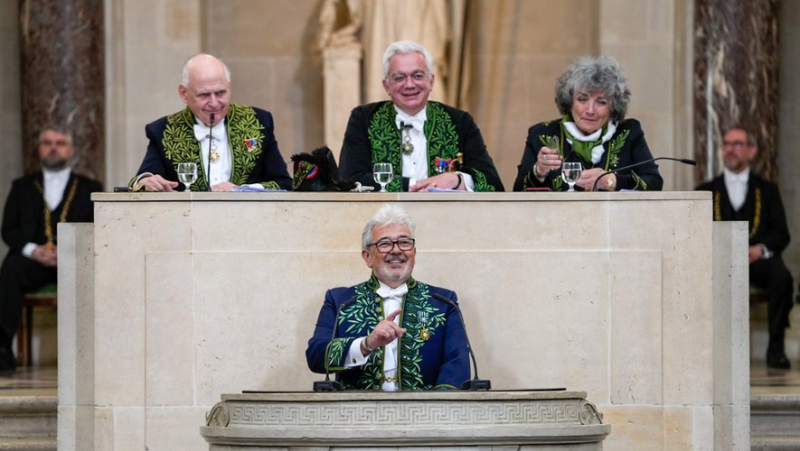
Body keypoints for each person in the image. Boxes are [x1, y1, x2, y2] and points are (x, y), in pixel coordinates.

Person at [306, 204, 470, 390]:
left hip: (423, 414)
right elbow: (316, 356)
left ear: (414, 253)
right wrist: (366, 344)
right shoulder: (340, 301)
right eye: (384, 243)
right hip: (357, 414)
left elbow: (458, 363)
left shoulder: (444, 302)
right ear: (367, 256)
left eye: (405, 242)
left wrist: (435, 411)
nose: (396, 250)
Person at [0, 128, 102, 374]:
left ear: (71, 150)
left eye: (60, 143)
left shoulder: (90, 186)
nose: (53, 147)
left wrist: (67, 251)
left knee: (102, 275)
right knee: (10, 270)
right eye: (47, 143)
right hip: (32, 262)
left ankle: (93, 357)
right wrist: (33, 250)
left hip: (74, 260)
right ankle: (2, 352)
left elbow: (98, 227)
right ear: (39, 149)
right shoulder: (22, 186)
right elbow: (8, 229)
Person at [339, 40, 504, 192]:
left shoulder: (459, 121)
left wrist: (457, 179)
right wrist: (415, 185)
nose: (409, 84)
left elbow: (492, 183)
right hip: (383, 219)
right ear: (387, 85)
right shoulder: (363, 119)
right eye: (399, 77)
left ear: (431, 81)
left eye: (417, 76)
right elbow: (349, 179)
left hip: (447, 219)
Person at [696, 127, 794, 369]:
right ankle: (707, 354)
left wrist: (759, 250)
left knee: (783, 278)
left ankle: (776, 350)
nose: (730, 149)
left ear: (751, 151)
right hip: (719, 261)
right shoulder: (705, 191)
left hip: (757, 261)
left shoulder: (768, 190)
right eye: (727, 144)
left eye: (737, 144)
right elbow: (695, 234)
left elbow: (782, 233)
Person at [129, 54, 292, 192]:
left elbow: (283, 184)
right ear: (184, 94)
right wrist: (146, 181)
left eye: (221, 93)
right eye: (204, 95)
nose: (214, 103)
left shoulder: (258, 122)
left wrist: (240, 190)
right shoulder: (163, 130)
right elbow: (142, 180)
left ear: (229, 87)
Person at [514, 56, 663, 192]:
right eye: (582, 99)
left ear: (613, 107)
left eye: (601, 102)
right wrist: (539, 171)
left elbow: (654, 183)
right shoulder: (542, 134)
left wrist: (611, 181)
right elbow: (518, 193)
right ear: (570, 101)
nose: (590, 110)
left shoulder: (628, 132)